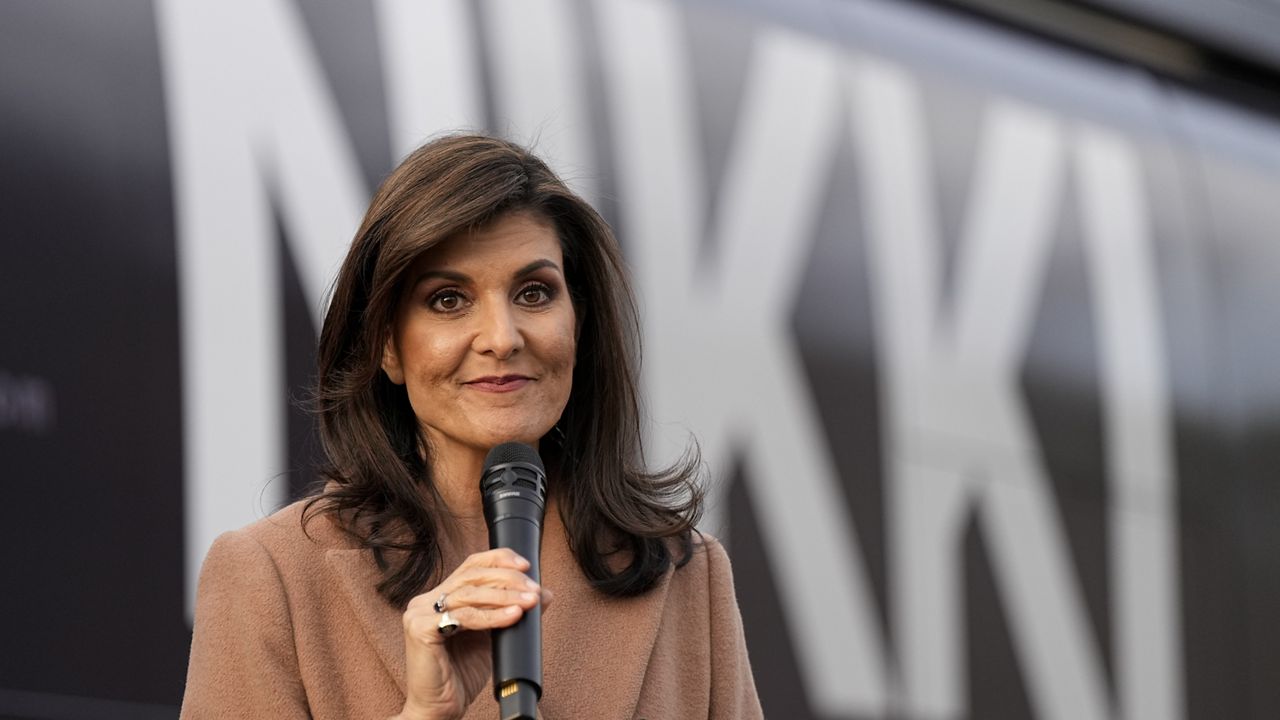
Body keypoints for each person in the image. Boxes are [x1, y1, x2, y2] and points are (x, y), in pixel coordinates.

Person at [180, 134, 763, 719]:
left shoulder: (687, 575)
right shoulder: (270, 578)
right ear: (387, 344)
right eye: (448, 300)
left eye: (534, 293)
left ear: (578, 325)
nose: (503, 338)